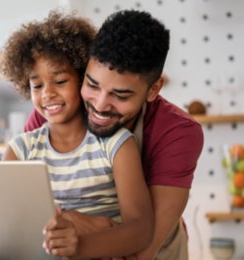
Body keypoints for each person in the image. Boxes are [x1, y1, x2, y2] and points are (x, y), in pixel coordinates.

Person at [0, 10, 154, 259]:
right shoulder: (21, 149)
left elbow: (141, 230)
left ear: (84, 79)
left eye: (60, 81)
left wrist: (80, 246)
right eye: (37, 85)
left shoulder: (116, 145)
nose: (47, 93)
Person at [26, 10, 204, 259]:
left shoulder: (178, 133)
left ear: (153, 89)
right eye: (92, 84)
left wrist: (97, 228)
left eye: (120, 96)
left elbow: (142, 249)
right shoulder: (55, 115)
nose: (99, 105)